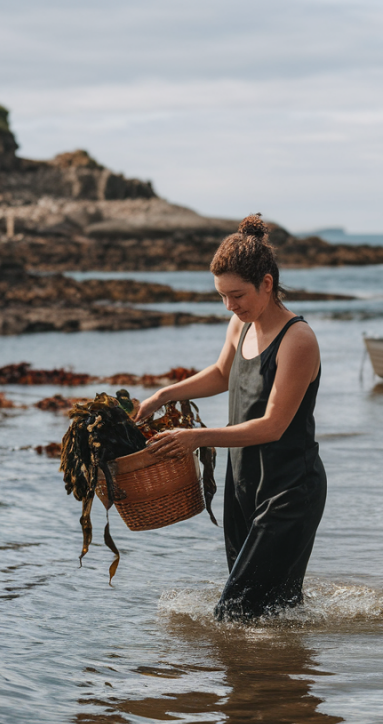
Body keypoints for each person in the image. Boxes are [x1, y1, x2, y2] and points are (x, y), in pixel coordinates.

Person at [135, 214, 327, 621]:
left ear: (268, 284)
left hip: (290, 490)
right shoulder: (239, 326)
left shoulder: (298, 340)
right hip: (243, 486)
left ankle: (270, 678)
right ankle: (279, 681)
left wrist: (196, 438)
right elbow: (223, 374)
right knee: (270, 615)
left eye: (237, 295)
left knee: (233, 614)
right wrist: (163, 395)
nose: (230, 305)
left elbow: (274, 425)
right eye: (222, 296)